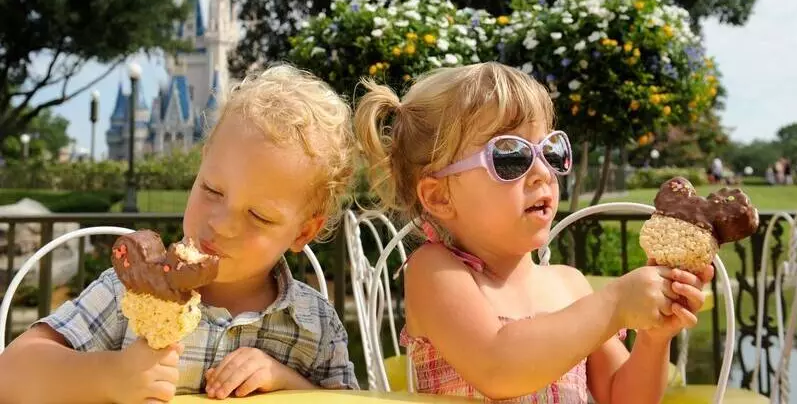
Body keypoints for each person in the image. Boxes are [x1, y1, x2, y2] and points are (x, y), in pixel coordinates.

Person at [353, 62, 712, 403]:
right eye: (510, 157)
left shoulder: (570, 285)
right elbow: (498, 366)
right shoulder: (435, 271)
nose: (542, 172)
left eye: (550, 151)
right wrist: (616, 303)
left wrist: (653, 338)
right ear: (439, 196)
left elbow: (624, 396)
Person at [0, 64, 359, 403]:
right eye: (212, 190)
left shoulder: (315, 324)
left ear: (303, 232)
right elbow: (10, 375)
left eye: (258, 216)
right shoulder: (130, 291)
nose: (222, 224)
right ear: (201, 165)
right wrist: (111, 375)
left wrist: (287, 382)